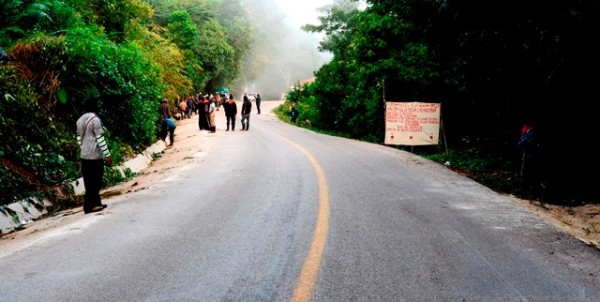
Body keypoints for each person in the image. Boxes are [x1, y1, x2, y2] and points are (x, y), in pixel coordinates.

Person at [76, 106, 112, 214]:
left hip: (84, 156)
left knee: (89, 181)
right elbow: (100, 139)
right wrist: (108, 155)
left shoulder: (80, 121)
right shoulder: (96, 120)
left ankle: (97, 203)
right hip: (95, 156)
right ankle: (89, 206)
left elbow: (78, 139)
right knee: (96, 180)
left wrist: (83, 151)